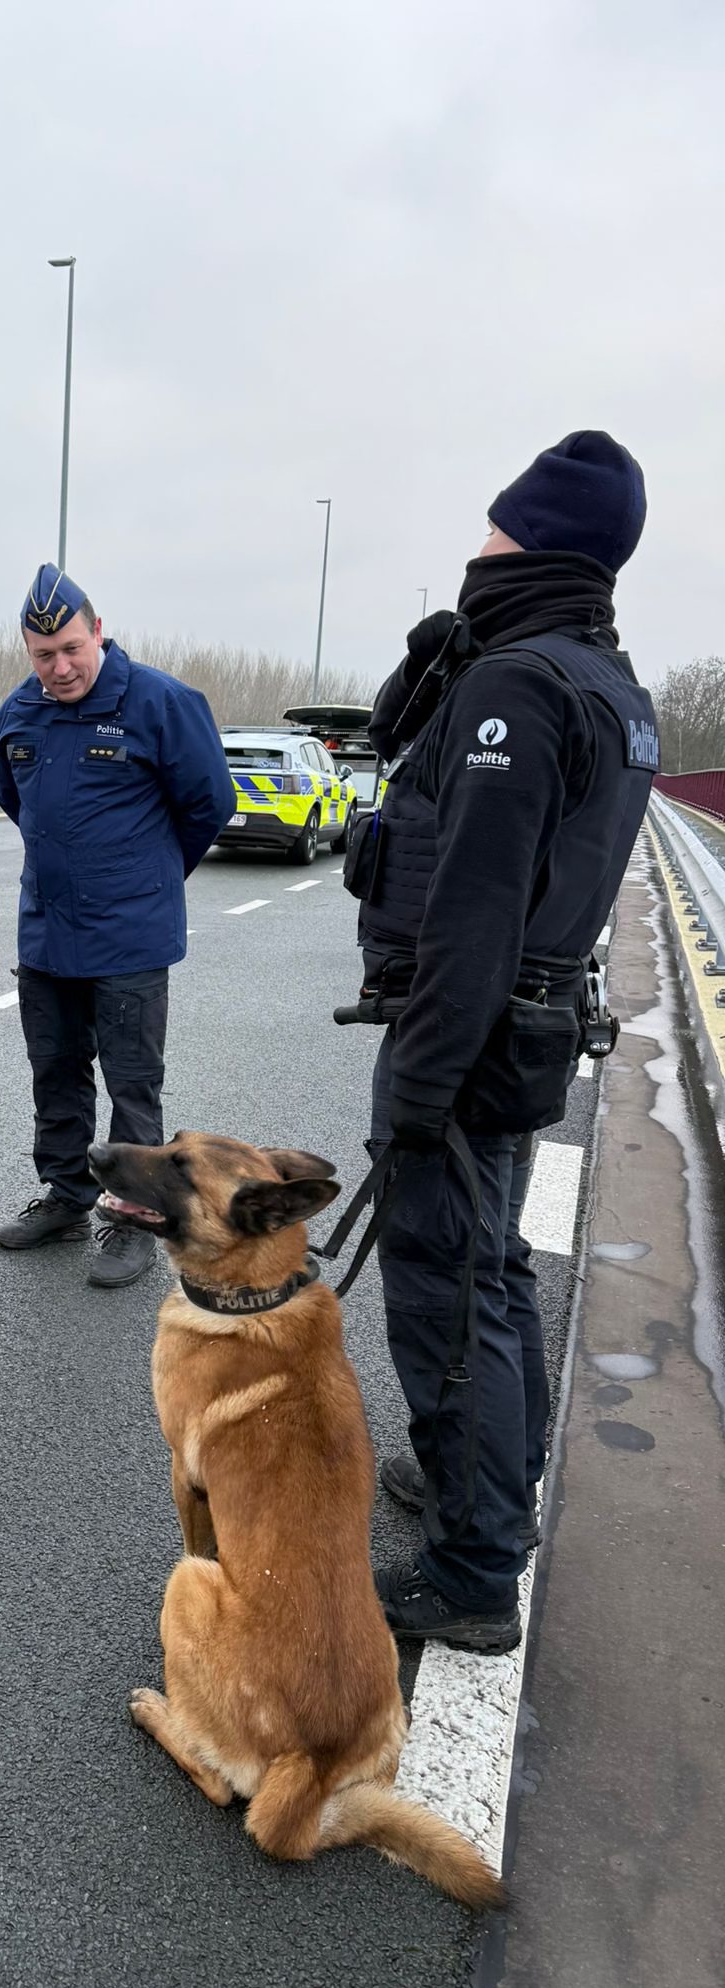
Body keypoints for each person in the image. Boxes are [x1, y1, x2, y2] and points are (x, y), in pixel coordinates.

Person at [343, 430, 657, 1651]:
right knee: (497, 1268)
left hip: (468, 1037)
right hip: (527, 1023)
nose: (476, 549)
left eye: (493, 529)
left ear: (530, 539)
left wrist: (417, 1084)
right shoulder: (606, 683)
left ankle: (474, 1572)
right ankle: (494, 1482)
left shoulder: (522, 687)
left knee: (447, 1288)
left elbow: (472, 902)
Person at [0, 565, 237, 1287]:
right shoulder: (18, 714)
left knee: (133, 1083)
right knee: (56, 1072)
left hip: (129, 936)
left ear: (97, 632)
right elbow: (21, 805)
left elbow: (209, 805)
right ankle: (67, 1193)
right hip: (46, 932)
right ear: (27, 652)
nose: (60, 667)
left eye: (71, 648)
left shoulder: (160, 702)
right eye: (44, 655)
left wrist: (146, 880)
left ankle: (133, 1216)